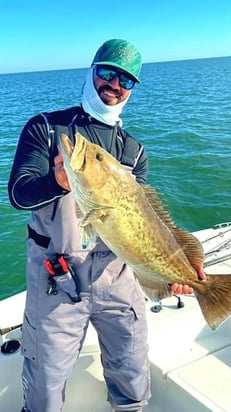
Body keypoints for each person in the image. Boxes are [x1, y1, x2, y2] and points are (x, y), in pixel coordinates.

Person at [8, 39, 200, 412]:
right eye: (107, 73)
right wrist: (58, 182)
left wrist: (174, 271)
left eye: (124, 80)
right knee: (44, 389)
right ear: (92, 71)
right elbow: (18, 194)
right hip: (56, 283)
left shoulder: (134, 152)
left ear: (132, 89)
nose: (114, 84)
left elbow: (146, 224)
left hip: (119, 278)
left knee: (131, 375)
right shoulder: (48, 129)